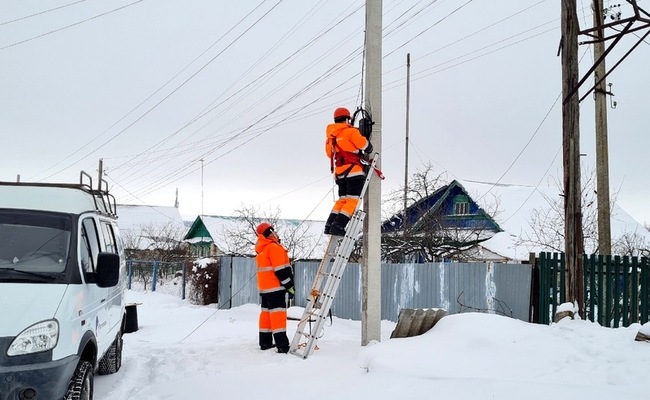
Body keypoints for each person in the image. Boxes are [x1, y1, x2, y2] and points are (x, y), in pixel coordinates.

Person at [324, 107, 373, 236]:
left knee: (342, 200)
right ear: (347, 119)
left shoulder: (331, 137)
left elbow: (329, 154)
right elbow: (364, 145)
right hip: (354, 172)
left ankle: (330, 224)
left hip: (340, 174)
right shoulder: (350, 132)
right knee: (352, 200)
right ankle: (339, 225)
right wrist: (369, 145)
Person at [254, 222, 295, 353]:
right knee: (278, 316)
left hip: (265, 289)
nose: (275, 232)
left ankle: (265, 343)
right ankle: (282, 346)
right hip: (276, 288)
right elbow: (280, 270)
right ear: (270, 233)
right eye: (273, 231)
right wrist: (289, 286)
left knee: (266, 315)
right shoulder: (274, 248)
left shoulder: (262, 249)